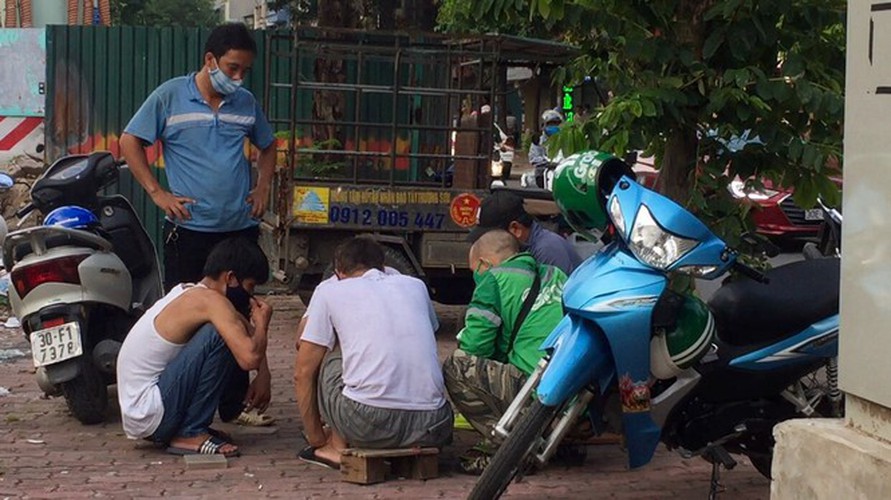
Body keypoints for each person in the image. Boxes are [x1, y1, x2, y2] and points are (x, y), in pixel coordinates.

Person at [119, 23, 276, 292]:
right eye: (232, 68)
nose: (238, 78)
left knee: (236, 313)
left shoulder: (246, 102)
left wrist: (263, 187)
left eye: (244, 71)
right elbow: (129, 141)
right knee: (186, 316)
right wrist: (157, 193)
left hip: (238, 232)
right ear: (210, 60)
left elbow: (269, 145)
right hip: (190, 231)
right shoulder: (169, 96)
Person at [294, 237, 452, 469]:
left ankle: (335, 447)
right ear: (384, 266)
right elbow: (430, 328)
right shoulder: (414, 286)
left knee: (331, 356)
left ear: (338, 272)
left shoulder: (331, 290)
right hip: (433, 426)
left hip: (366, 424)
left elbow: (302, 371)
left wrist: (316, 438)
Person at [116, 238, 273, 457]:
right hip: (151, 414)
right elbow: (248, 358)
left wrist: (264, 374)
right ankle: (190, 432)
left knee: (227, 331)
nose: (252, 296)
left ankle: (189, 427)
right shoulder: (210, 301)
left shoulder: (196, 294)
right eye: (250, 287)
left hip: (147, 414)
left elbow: (243, 326)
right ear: (230, 278)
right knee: (219, 335)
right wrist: (263, 325)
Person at [443, 229, 568, 474]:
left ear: (484, 263)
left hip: (535, 390)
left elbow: (475, 346)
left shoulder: (493, 279)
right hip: (572, 393)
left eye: (473, 271)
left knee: (456, 366)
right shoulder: (557, 274)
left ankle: (508, 446)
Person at [469, 190, 582, 275]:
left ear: (515, 229)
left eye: (492, 237)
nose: (487, 243)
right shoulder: (524, 250)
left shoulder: (547, 250)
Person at [527, 109, 564, 187]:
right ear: (544, 125)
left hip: (562, 171)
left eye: (556, 124)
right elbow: (534, 158)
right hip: (544, 171)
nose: (553, 126)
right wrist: (549, 163)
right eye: (550, 124)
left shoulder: (566, 139)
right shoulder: (538, 140)